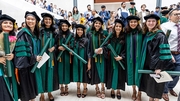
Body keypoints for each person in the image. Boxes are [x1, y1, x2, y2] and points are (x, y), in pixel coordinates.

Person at [139, 14, 174, 101]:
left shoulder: (160, 35)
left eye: (153, 21)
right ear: (146, 23)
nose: (151, 23)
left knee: (156, 89)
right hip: (149, 64)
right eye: (149, 21)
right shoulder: (148, 34)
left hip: (156, 67)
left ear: (157, 23)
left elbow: (163, 53)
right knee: (151, 88)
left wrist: (159, 67)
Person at [14, 11, 41, 101]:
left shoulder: (34, 33)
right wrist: (34, 58)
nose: (30, 21)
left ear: (36, 21)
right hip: (24, 67)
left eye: (32, 19)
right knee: (26, 92)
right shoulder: (23, 33)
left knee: (31, 92)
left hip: (31, 65)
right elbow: (22, 52)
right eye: (28, 19)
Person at [38, 13, 59, 101]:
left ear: (52, 21)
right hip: (42, 56)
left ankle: (50, 92)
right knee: (42, 74)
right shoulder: (39, 31)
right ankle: (42, 94)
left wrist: (54, 47)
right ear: (43, 20)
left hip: (50, 56)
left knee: (50, 74)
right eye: (46, 19)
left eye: (49, 20)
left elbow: (57, 43)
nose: (48, 21)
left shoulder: (54, 31)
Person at [86, 17, 108, 99]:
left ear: (101, 24)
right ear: (93, 24)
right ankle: (97, 88)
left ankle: (103, 88)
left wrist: (102, 49)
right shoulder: (89, 33)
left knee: (102, 72)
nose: (97, 25)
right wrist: (89, 60)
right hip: (93, 57)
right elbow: (88, 47)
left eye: (99, 23)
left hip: (102, 57)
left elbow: (108, 45)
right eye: (96, 23)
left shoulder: (104, 33)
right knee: (95, 73)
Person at [161, 8, 180, 101]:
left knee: (177, 73)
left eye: (179, 14)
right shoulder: (165, 26)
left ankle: (170, 87)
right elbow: (162, 41)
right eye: (176, 14)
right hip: (168, 53)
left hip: (179, 53)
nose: (178, 16)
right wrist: (168, 53)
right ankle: (164, 91)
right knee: (167, 73)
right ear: (170, 16)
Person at [106, 19, 126, 100]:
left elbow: (126, 49)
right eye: (117, 26)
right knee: (111, 74)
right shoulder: (110, 36)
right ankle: (112, 90)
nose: (118, 28)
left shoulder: (124, 37)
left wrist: (121, 57)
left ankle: (118, 90)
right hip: (111, 59)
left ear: (122, 28)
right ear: (114, 27)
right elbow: (106, 47)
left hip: (120, 59)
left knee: (119, 75)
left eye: (120, 26)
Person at [0, 14, 18, 101]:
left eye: (10, 23)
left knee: (11, 86)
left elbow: (16, 51)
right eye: (5, 22)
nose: (8, 25)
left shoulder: (14, 38)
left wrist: (13, 55)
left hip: (10, 65)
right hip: (0, 68)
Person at [125, 15, 143, 101]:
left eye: (135, 22)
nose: (133, 23)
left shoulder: (142, 32)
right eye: (131, 22)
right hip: (130, 58)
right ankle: (134, 91)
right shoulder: (126, 33)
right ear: (129, 23)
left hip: (139, 58)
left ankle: (139, 93)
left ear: (137, 23)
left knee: (139, 76)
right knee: (132, 75)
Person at [56, 19, 74, 96]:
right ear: (60, 26)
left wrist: (67, 47)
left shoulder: (71, 35)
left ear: (68, 27)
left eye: (66, 26)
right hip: (59, 55)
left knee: (66, 70)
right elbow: (54, 43)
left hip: (67, 55)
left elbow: (73, 43)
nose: (64, 27)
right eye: (63, 26)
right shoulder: (57, 34)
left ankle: (66, 86)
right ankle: (61, 87)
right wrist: (58, 47)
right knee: (60, 70)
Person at [72, 24, 90, 98]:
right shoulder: (73, 40)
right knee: (77, 74)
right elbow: (71, 48)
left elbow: (89, 52)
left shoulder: (87, 40)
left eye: (81, 30)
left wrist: (89, 63)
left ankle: (85, 88)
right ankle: (78, 88)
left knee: (84, 75)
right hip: (76, 61)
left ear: (83, 31)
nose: (79, 31)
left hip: (84, 60)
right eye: (78, 30)